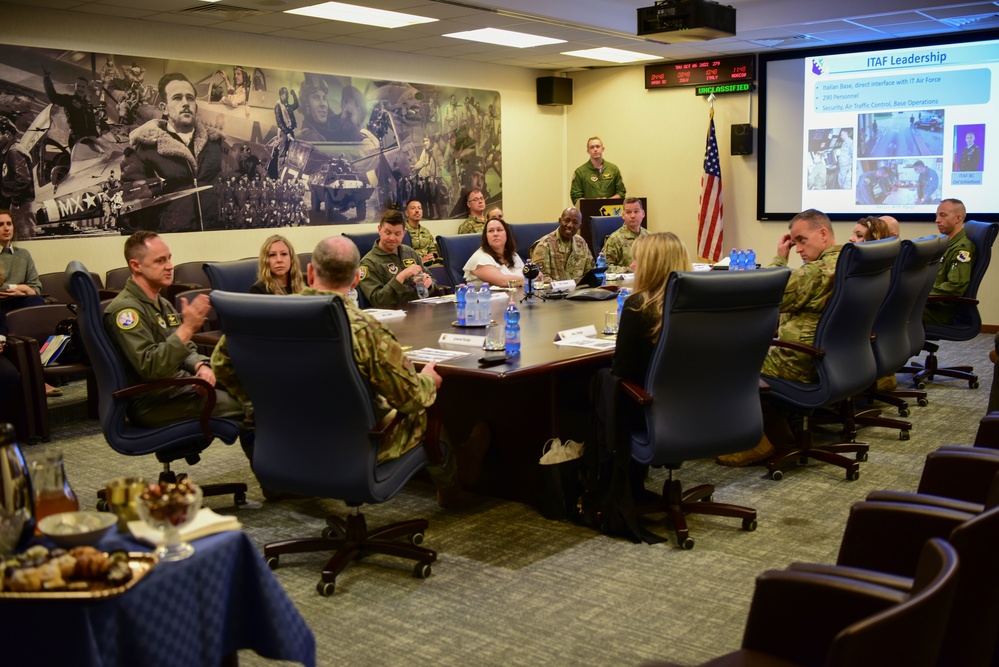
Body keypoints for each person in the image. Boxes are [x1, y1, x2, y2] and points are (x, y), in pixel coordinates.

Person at [215, 235, 470, 507]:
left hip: (285, 441)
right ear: (357, 279)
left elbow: (220, 363)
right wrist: (428, 380)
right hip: (354, 448)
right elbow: (409, 398)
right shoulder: (365, 329)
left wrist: (263, 406)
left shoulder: (263, 315)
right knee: (425, 413)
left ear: (310, 273)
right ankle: (453, 493)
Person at [718, 209, 841, 467]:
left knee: (728, 363)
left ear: (822, 233)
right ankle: (777, 427)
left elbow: (764, 297)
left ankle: (753, 440)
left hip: (797, 361)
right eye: (793, 243)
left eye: (801, 240)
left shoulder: (814, 274)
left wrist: (779, 259)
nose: (797, 249)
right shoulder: (850, 261)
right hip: (836, 359)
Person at [104, 231, 243, 429]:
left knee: (251, 386)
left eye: (169, 258)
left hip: (179, 386)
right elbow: (151, 367)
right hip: (154, 401)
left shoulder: (161, 302)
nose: (170, 266)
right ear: (136, 266)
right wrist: (187, 327)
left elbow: (184, 349)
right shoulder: (126, 312)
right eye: (160, 261)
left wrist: (200, 367)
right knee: (249, 405)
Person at [120, 72, 224, 232]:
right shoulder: (144, 150)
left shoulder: (214, 144)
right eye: (177, 98)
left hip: (213, 240)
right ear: (164, 108)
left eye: (190, 98)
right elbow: (132, 212)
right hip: (170, 246)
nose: (186, 103)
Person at [359, 210, 435, 308]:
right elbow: (377, 300)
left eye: (397, 234)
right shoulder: (368, 263)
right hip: (392, 317)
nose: (392, 238)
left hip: (418, 310)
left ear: (404, 233)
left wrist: (428, 283)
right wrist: (401, 277)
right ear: (379, 229)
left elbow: (433, 281)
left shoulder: (409, 252)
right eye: (388, 232)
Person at [924, 198, 974, 325]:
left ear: (958, 218)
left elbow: (955, 286)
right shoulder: (946, 243)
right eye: (937, 216)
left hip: (939, 310)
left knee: (891, 313)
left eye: (943, 215)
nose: (937, 220)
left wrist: (921, 293)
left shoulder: (961, 249)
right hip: (930, 304)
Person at [0, 209, 44, 336]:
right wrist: (21, 287)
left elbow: (35, 285)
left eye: (9, 224)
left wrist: (27, 291)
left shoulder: (23, 254)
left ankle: (40, 344)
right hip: (1, 302)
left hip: (20, 300)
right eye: (1, 225)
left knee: (37, 301)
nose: (6, 228)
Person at [530, 207, 594, 282]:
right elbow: (540, 278)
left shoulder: (581, 243)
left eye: (575, 222)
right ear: (560, 221)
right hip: (554, 292)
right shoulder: (544, 245)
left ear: (580, 226)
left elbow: (590, 273)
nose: (570, 225)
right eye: (566, 221)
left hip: (579, 292)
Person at [41, 68, 98, 146]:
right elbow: (53, 97)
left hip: (91, 139)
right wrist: (47, 79)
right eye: (78, 86)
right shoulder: (69, 100)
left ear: (86, 88)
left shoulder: (88, 104)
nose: (80, 89)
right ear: (75, 86)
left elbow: (92, 122)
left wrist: (97, 134)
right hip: (78, 139)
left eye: (83, 87)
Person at [0, 117, 36, 240]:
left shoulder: (14, 151)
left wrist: (14, 202)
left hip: (21, 206)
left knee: (24, 242)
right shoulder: (8, 151)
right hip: (17, 205)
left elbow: (23, 180)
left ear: (7, 134)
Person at [463, 217, 525, 287]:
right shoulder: (479, 258)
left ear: (507, 234)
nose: (495, 234)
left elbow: (525, 274)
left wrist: (535, 275)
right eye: (491, 231)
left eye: (499, 230)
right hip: (485, 297)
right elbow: (503, 281)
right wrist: (530, 279)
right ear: (486, 236)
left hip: (516, 296)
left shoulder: (513, 255)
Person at [570, 136, 626, 204]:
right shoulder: (580, 172)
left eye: (597, 146)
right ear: (588, 151)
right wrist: (594, 203)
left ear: (603, 149)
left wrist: (607, 201)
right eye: (592, 147)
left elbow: (621, 192)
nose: (595, 149)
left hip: (610, 210)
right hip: (589, 211)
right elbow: (576, 196)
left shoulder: (613, 169)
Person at [602, 197, 649, 272]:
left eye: (636, 211)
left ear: (643, 214)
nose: (633, 216)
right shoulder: (615, 239)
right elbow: (604, 268)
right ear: (623, 215)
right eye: (628, 212)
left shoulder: (650, 237)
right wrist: (628, 269)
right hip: (624, 282)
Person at [403, 199, 441, 266]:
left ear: (422, 212)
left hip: (429, 264)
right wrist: (420, 260)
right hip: (411, 266)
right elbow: (403, 254)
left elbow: (432, 248)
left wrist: (432, 256)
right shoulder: (402, 232)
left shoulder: (425, 231)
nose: (417, 211)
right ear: (407, 213)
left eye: (419, 208)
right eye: (413, 208)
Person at [274, 87, 299, 158]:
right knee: (282, 154)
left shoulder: (287, 106)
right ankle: (280, 168)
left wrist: (294, 95)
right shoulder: (278, 106)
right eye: (286, 94)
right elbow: (280, 122)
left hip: (290, 131)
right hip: (284, 133)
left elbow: (296, 105)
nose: (287, 96)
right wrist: (287, 133)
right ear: (282, 95)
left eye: (288, 94)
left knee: (292, 152)